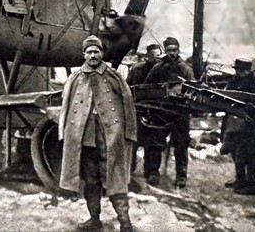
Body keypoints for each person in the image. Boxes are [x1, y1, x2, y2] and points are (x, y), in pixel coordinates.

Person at [59, 35, 137, 232]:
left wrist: (128, 132)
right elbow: (65, 106)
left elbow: (128, 104)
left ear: (102, 53)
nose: (93, 55)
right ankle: (94, 219)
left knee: (115, 178)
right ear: (84, 54)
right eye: (89, 52)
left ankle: (125, 222)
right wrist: (64, 133)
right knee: (90, 180)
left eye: (97, 51)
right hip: (83, 136)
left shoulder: (113, 76)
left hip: (109, 135)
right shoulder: (75, 78)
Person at [143, 36, 195, 187]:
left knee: (181, 145)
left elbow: (194, 88)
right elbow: (147, 86)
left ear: (178, 51)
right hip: (161, 112)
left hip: (180, 113)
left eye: (174, 50)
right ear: (165, 51)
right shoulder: (158, 67)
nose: (172, 53)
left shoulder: (185, 68)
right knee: (156, 143)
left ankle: (181, 175)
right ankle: (153, 173)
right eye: (169, 50)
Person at [220, 58, 255, 195]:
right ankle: (240, 179)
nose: (238, 73)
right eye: (237, 70)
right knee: (235, 151)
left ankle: (252, 185)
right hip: (234, 124)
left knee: (250, 155)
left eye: (241, 71)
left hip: (250, 127)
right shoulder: (233, 82)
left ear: (247, 71)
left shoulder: (252, 86)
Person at [126, 43, 162, 174]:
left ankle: (152, 172)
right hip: (137, 110)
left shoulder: (163, 71)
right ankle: (129, 171)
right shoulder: (137, 70)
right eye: (153, 56)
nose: (156, 59)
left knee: (154, 143)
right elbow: (127, 88)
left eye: (158, 56)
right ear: (147, 57)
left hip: (156, 112)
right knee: (132, 141)